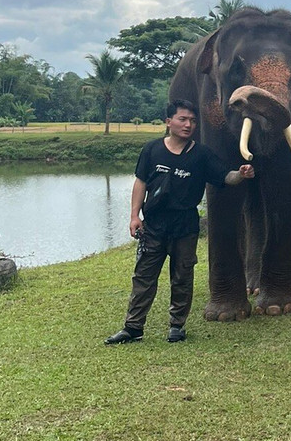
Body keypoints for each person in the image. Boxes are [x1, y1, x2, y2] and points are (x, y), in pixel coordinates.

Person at [104, 99, 255, 345]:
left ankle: (177, 325)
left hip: (185, 225)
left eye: (193, 121)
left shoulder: (202, 154)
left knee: (182, 276)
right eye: (182, 119)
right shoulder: (152, 150)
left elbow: (225, 177)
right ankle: (133, 328)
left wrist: (241, 174)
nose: (188, 125)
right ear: (169, 122)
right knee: (144, 276)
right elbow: (140, 183)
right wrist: (134, 216)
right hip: (153, 225)